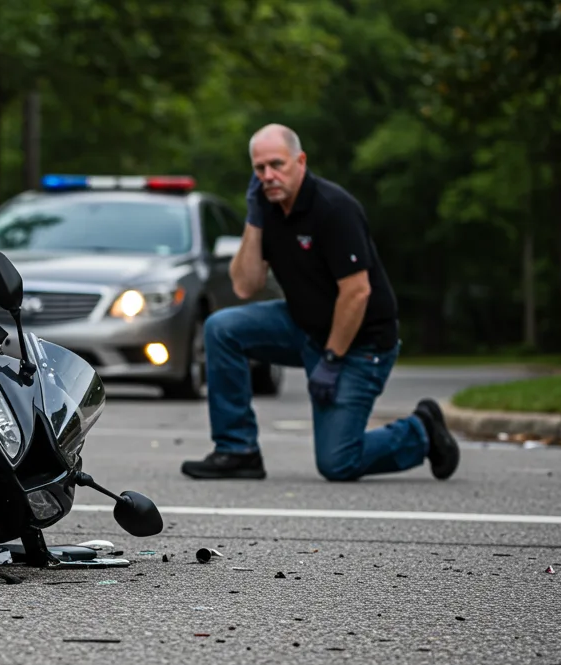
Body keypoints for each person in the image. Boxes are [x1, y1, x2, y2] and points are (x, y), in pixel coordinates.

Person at [181, 124, 460, 482]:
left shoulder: (334, 208)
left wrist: (331, 358)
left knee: (337, 462)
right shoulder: (267, 209)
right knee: (222, 328)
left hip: (360, 344)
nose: (268, 176)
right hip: (304, 325)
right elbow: (245, 285)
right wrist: (254, 218)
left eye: (277, 165)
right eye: (260, 168)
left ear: (300, 161)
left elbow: (357, 292)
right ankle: (238, 451)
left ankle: (421, 431)